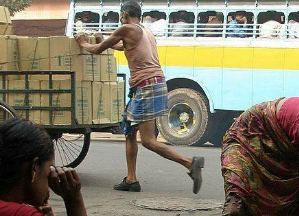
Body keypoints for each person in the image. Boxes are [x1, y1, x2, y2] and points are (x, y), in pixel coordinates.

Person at [75, 1, 204, 194]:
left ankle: (189, 163)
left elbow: (96, 50)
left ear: (125, 13)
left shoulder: (125, 28)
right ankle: (131, 179)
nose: (120, 17)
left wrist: (82, 42)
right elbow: (122, 46)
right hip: (152, 84)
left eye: (120, 14)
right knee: (129, 131)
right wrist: (104, 40)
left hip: (147, 85)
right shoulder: (144, 31)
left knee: (148, 141)